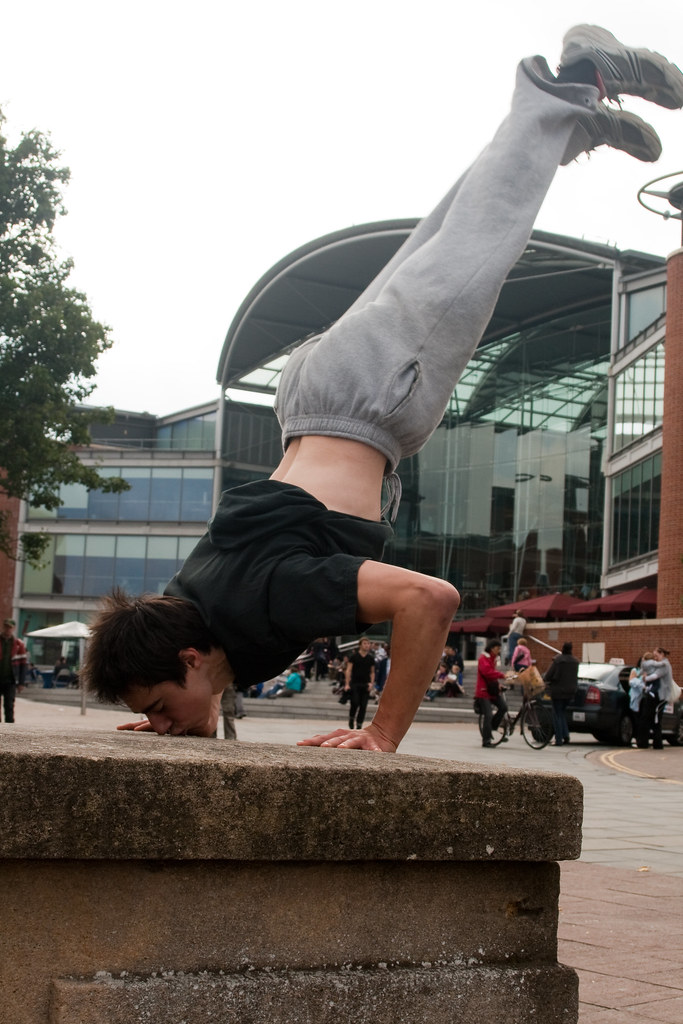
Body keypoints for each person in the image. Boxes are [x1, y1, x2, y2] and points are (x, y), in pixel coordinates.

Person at [83, 25, 683, 753]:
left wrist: (383, 732)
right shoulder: (191, 609)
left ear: (188, 661)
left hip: (365, 399)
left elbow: (430, 599)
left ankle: (574, 83)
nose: (163, 723)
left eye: (160, 707)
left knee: (481, 241)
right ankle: (564, 117)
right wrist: (156, 704)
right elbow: (143, 635)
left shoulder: (265, 601)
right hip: (316, 398)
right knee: (454, 235)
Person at [637, 646, 674, 749]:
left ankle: (649, 743)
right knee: (654, 719)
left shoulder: (665, 665)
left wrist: (645, 678)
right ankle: (656, 743)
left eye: (656, 655)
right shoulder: (661, 664)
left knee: (652, 718)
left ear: (662, 654)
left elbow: (655, 676)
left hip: (660, 696)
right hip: (658, 695)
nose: (655, 658)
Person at [543, 641, 579, 746]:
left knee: (557, 714)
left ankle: (558, 739)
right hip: (571, 691)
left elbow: (548, 675)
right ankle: (566, 735)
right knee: (562, 712)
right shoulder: (575, 661)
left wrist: (546, 680)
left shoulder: (558, 660)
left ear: (562, 648)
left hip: (558, 691)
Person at [475, 640, 509, 747]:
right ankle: (486, 740)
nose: (499, 651)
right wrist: (502, 675)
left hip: (492, 690)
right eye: (497, 648)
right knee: (488, 715)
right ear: (492, 648)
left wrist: (498, 684)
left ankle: (492, 727)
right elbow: (487, 672)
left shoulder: (492, 659)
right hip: (483, 691)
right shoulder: (483, 658)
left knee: (503, 707)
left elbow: (491, 675)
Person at [0, 618, 27, 724]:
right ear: (3, 627)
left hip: (10, 680)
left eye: (10, 627)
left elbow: (23, 665)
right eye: (6, 627)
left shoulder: (18, 644)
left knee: (9, 706)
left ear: (13, 629)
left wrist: (21, 683)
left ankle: (10, 729)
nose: (7, 629)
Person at [345, 638, 375, 729]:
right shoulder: (354, 657)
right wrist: (347, 683)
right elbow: (348, 670)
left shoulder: (370, 658)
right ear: (360, 645)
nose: (367, 645)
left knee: (363, 705)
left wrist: (371, 683)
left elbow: (372, 672)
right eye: (365, 643)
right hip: (355, 683)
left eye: (368, 643)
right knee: (355, 702)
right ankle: (351, 718)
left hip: (365, 684)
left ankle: (359, 724)